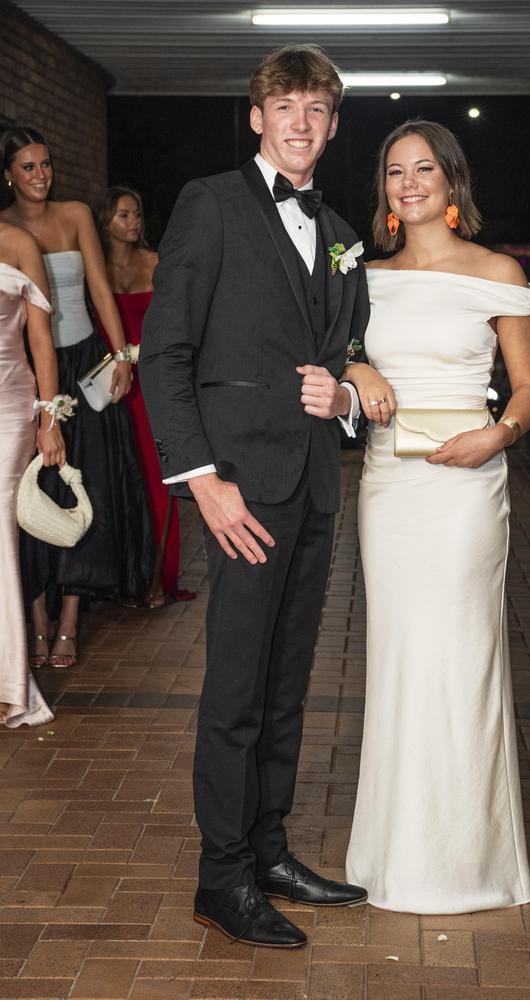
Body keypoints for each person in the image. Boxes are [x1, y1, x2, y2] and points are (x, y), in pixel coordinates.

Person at [140, 45, 369, 948]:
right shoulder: (212, 204)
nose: (301, 124)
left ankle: (269, 851)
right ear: (256, 117)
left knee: (285, 687)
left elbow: (347, 359)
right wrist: (204, 482)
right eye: (286, 108)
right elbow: (166, 354)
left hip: (313, 486)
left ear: (334, 123)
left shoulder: (343, 231)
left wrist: (344, 397)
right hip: (238, 490)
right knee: (236, 688)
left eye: (317, 110)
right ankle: (220, 877)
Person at [344, 120, 530, 914]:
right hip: (390, 487)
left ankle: (470, 863)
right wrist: (356, 364)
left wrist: (497, 435)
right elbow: (335, 355)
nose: (410, 183)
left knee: (463, 657)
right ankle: (394, 858)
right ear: (385, 192)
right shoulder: (365, 276)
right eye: (396, 172)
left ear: (451, 180)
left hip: (468, 488)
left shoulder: (497, 272)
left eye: (424, 168)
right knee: (398, 658)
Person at [0, 127, 153, 668]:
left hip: (84, 359)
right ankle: (35, 618)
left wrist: (123, 357)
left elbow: (97, 289)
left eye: (46, 164)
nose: (41, 176)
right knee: (28, 491)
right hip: (30, 368)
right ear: (9, 176)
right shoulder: (6, 230)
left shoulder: (75, 216)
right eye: (28, 167)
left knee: (83, 484)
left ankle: (68, 619)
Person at [95, 186, 195, 607]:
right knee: (116, 481)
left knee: (160, 480)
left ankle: (158, 576)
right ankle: (121, 576)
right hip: (109, 388)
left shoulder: (156, 264)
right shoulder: (93, 270)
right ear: (105, 222)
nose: (134, 222)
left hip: (152, 384)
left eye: (136, 214)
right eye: (123, 215)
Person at [0, 220, 62, 726]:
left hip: (7, 409)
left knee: (1, 540)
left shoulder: (19, 243)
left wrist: (49, 419)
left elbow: (41, 339)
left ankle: (9, 686)